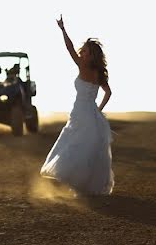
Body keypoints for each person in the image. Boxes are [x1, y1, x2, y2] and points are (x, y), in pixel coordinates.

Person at [40, 15, 114, 196]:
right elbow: (108, 93)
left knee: (74, 145)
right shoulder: (99, 73)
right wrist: (98, 110)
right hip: (91, 114)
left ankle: (69, 179)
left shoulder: (83, 66)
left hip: (81, 113)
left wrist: (63, 29)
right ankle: (80, 183)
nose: (82, 53)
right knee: (84, 148)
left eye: (86, 51)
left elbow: (69, 48)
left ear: (91, 55)